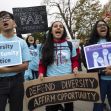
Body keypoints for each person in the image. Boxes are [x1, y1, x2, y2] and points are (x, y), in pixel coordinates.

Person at [38, 21, 79, 111]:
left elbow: (75, 60)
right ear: (51, 31)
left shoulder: (70, 44)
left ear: (63, 31)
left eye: (61, 26)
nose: (58, 28)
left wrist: (75, 67)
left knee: (69, 107)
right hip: (51, 82)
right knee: (51, 108)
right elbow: (42, 64)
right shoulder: (44, 46)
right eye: (55, 26)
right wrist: (41, 73)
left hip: (67, 81)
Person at [0, 11, 30, 111]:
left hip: (17, 81)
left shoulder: (21, 42)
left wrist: (4, 70)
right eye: (1, 18)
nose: (4, 19)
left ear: (14, 23)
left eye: (7, 17)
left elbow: (25, 65)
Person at [81, 19, 111, 111]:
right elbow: (87, 64)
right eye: (99, 25)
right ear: (95, 29)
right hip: (99, 81)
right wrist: (101, 71)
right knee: (98, 107)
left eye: (104, 25)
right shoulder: (89, 45)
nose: (103, 26)